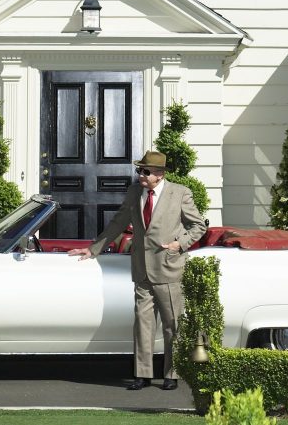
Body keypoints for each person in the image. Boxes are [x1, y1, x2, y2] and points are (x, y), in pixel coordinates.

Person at [68, 149, 207, 389]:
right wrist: (93, 249)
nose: (141, 175)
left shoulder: (180, 193)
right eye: (139, 171)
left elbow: (198, 226)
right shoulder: (134, 192)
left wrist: (179, 244)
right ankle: (143, 374)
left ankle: (172, 374)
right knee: (143, 324)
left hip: (168, 268)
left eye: (145, 172)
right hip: (141, 269)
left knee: (172, 325)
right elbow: (119, 222)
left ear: (160, 175)